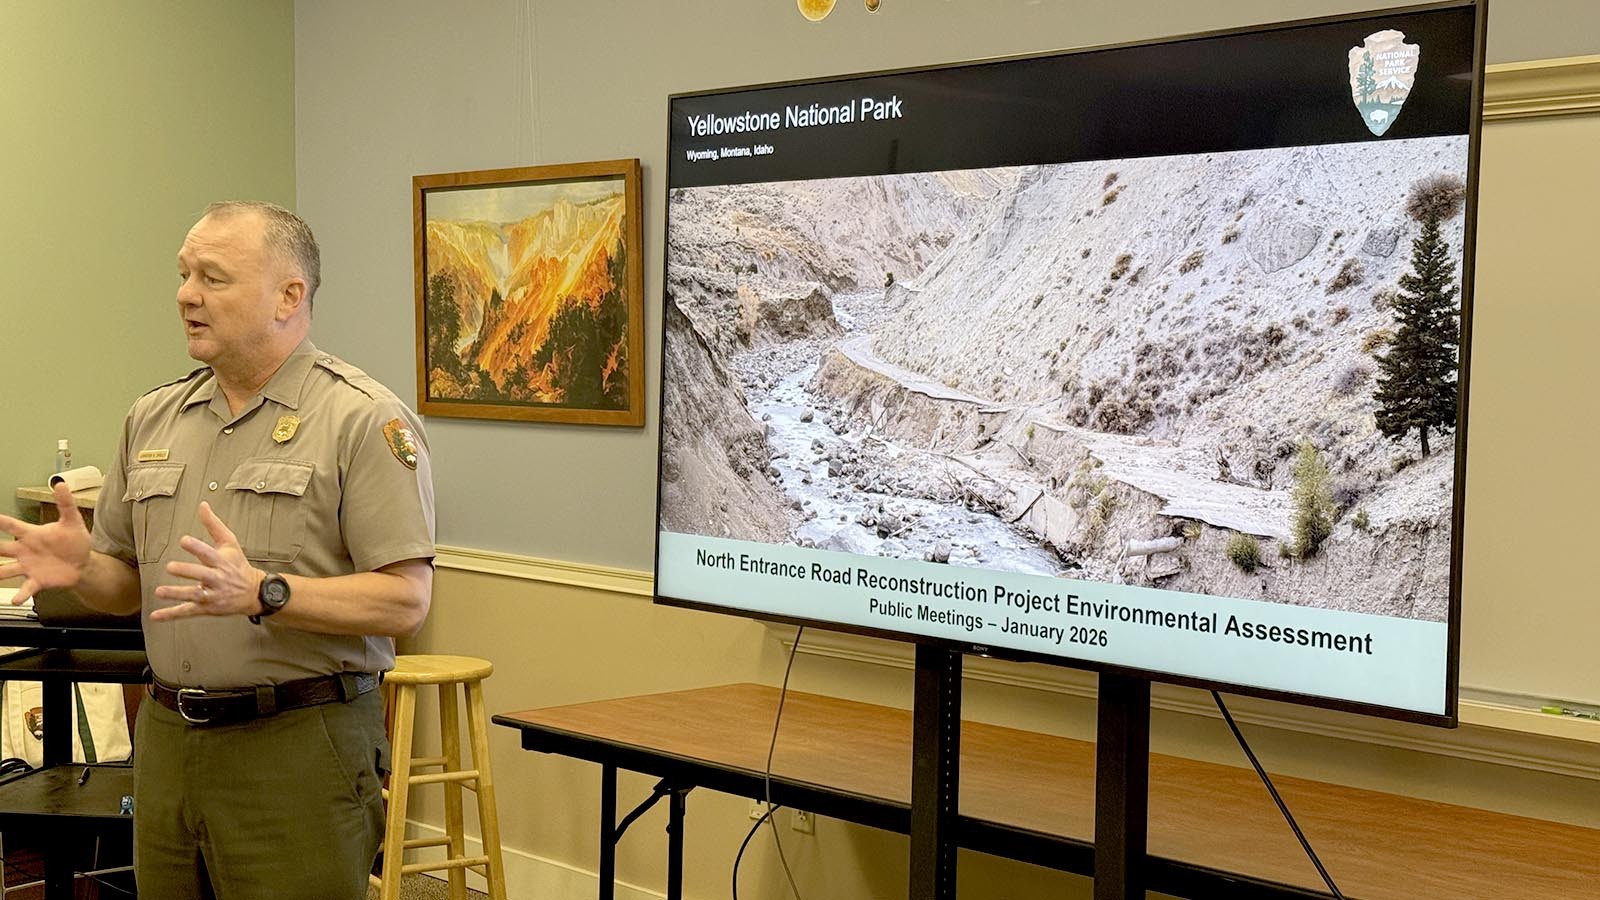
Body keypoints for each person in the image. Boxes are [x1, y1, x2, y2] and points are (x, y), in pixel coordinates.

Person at [0, 201, 435, 899]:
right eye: (183, 275)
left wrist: (267, 592)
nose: (186, 295)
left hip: (298, 743)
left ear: (290, 296)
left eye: (213, 277)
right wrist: (83, 569)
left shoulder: (361, 418)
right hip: (171, 740)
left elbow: (406, 600)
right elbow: (126, 586)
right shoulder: (153, 416)